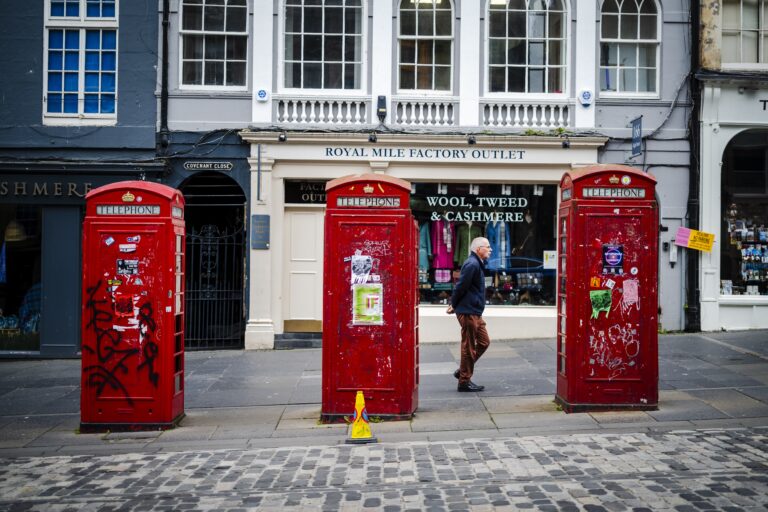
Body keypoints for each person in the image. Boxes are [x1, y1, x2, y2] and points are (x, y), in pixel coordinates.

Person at [446, 237, 492, 392]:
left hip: (475, 311)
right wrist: (453, 303)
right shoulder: (472, 264)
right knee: (469, 347)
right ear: (478, 249)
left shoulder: (477, 263)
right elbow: (461, 286)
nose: (490, 249)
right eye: (487, 247)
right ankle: (464, 381)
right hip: (468, 311)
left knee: (484, 342)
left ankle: (462, 370)